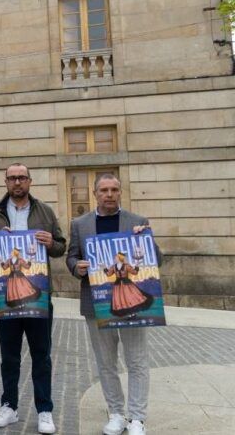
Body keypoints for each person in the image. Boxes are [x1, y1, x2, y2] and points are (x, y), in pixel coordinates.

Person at [0, 163, 65, 434]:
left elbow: (61, 246)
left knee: (41, 355)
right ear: (6, 181)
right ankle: (9, 406)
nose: (17, 182)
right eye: (12, 178)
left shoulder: (45, 211)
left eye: (21, 177)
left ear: (29, 181)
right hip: (5, 296)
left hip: (38, 296)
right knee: (9, 355)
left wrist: (51, 243)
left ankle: (44, 410)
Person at [66, 173, 161, 435]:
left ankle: (138, 417)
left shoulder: (137, 222)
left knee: (137, 361)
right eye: (104, 190)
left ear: (120, 192)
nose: (109, 194)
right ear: (95, 193)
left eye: (114, 190)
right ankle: (116, 413)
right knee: (106, 362)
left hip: (132, 304)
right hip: (96, 303)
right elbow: (71, 256)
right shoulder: (80, 224)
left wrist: (147, 240)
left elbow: (157, 260)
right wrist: (76, 267)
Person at [105, 252, 153, 317]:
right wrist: (104, 267)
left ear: (120, 258)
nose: (115, 258)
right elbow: (108, 274)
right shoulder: (113, 267)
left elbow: (134, 272)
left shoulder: (126, 266)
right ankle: (129, 314)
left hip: (127, 285)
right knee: (121, 300)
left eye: (116, 257)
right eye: (115, 257)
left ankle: (133, 314)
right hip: (118, 286)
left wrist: (137, 265)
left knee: (130, 298)